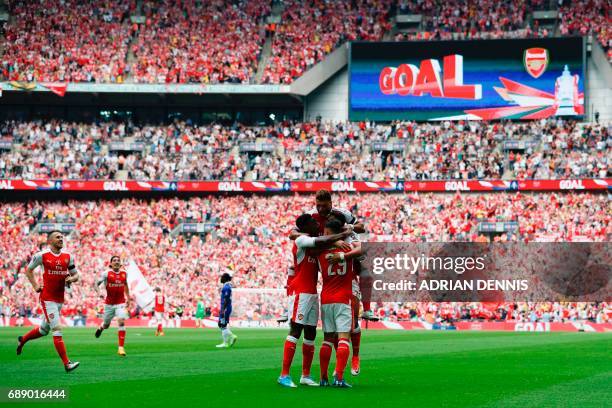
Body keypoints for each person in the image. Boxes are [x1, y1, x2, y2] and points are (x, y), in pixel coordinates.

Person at [278, 213, 352, 388]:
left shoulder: (313, 244)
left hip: (312, 293)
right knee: (295, 330)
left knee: (311, 333)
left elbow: (322, 246)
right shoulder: (302, 240)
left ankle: (305, 375)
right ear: (305, 227)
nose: (315, 223)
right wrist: (342, 235)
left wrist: (334, 242)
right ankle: (284, 375)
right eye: (312, 222)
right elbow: (320, 242)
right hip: (301, 292)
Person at [16, 230, 80, 372]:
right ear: (50, 241)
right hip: (47, 298)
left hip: (59, 299)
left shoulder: (68, 256)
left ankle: (22, 341)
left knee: (44, 330)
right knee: (56, 329)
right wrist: (35, 286)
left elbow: (76, 275)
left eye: (62, 237)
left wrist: (72, 279)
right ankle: (67, 364)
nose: (61, 239)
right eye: (58, 237)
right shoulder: (41, 256)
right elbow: (28, 270)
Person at [317, 219, 363, 388]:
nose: (324, 235)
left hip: (326, 298)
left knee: (327, 339)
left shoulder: (319, 250)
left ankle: (323, 378)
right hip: (343, 297)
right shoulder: (347, 248)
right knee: (344, 338)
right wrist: (343, 254)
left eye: (326, 233)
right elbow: (364, 248)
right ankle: (339, 378)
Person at [94, 255, 130, 356]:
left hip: (120, 303)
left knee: (121, 321)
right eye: (114, 260)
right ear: (110, 263)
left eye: (118, 260)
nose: (116, 262)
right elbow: (96, 284)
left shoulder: (124, 274)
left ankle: (121, 348)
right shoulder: (106, 274)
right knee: (106, 325)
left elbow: (126, 284)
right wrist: (98, 292)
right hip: (109, 304)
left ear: (121, 263)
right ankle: (101, 328)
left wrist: (129, 297)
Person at [216, 273, 237, 348]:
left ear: (224, 278)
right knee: (222, 325)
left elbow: (226, 299)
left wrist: (222, 309)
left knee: (222, 325)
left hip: (225, 308)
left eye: (222, 277)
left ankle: (232, 336)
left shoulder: (226, 287)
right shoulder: (227, 286)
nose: (221, 278)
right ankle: (225, 342)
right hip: (226, 308)